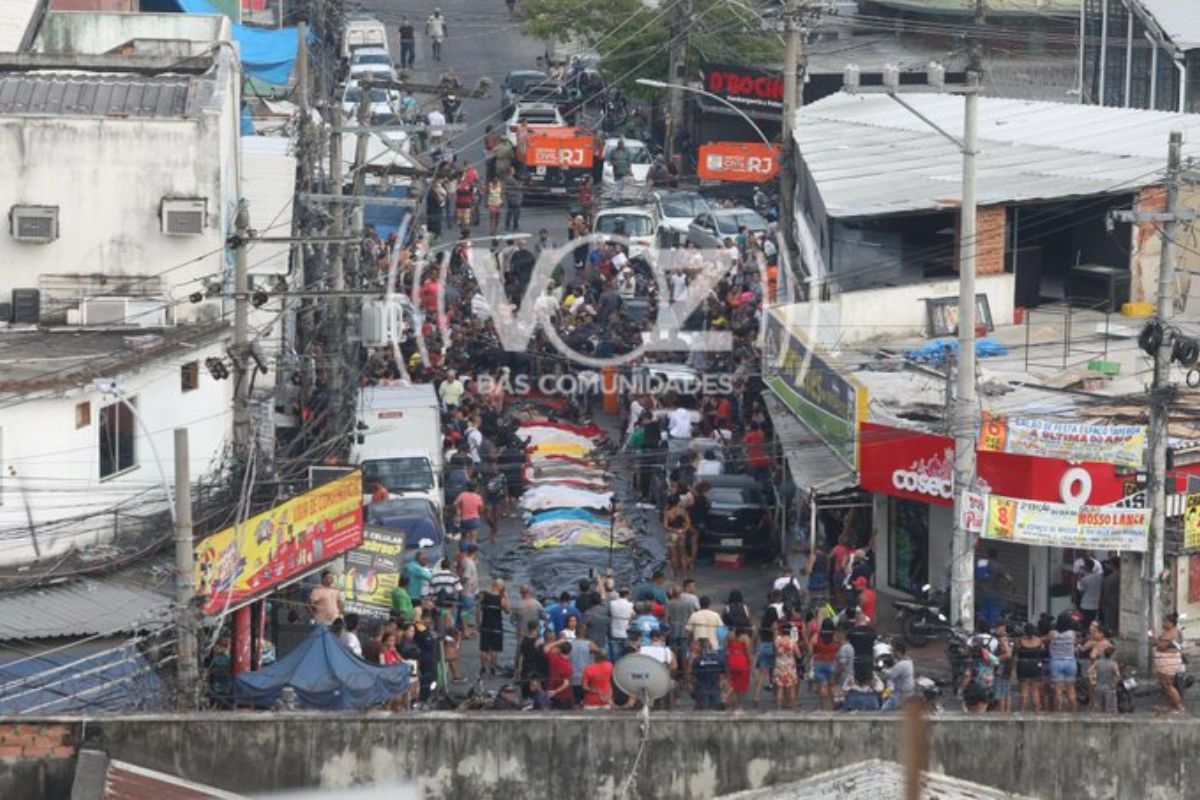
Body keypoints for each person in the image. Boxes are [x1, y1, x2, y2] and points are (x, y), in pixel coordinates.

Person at [1154, 612, 1186, 713]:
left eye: (1165, 622)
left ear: (1171, 623)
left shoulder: (1172, 632)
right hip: (1166, 661)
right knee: (1165, 685)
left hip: (1169, 661)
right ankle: (1166, 704)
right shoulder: (1171, 631)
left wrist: (1153, 638)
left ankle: (1179, 707)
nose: (1163, 623)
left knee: (1168, 684)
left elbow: (1161, 646)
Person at [1047, 614, 1078, 712]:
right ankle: (1074, 710)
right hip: (1070, 661)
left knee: (1058, 689)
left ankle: (1058, 710)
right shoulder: (1072, 633)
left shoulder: (1052, 633)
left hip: (1056, 661)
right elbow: (1075, 643)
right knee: (1071, 688)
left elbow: (1047, 640)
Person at [478, 578, 509, 677]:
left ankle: (483, 668)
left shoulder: (484, 595)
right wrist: (506, 596)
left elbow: (478, 608)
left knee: (484, 648)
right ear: (500, 587)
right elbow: (507, 611)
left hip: (485, 624)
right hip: (496, 625)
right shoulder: (501, 599)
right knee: (494, 649)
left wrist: (478, 621)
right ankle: (492, 668)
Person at [810, 618, 840, 711]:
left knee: (822, 686)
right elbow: (840, 648)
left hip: (819, 662)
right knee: (832, 685)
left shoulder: (816, 636)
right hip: (832, 662)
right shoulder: (836, 637)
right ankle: (835, 705)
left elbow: (810, 650)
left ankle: (824, 708)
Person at [1015, 622, 1045, 712]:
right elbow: (1042, 651)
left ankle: (1022, 710)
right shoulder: (1039, 640)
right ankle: (1037, 710)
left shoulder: (1019, 641)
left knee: (1024, 689)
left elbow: (1016, 651)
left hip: (1023, 665)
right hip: (1035, 664)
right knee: (1035, 690)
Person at [880, 641, 915, 710]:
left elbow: (889, 676)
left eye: (893, 651)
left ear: (898, 652)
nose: (892, 653)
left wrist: (882, 670)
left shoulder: (900, 665)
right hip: (907, 692)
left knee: (883, 710)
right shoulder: (909, 661)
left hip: (900, 695)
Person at [773, 622, 800, 710]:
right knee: (791, 688)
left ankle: (778, 708)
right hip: (790, 667)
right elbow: (798, 655)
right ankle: (793, 707)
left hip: (780, 666)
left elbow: (775, 652)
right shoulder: (793, 642)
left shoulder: (777, 640)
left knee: (780, 688)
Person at [725, 627, 753, 711]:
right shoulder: (745, 637)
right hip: (742, 660)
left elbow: (727, 647)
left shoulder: (729, 635)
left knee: (733, 681)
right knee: (742, 684)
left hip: (731, 659)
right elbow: (748, 652)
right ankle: (738, 705)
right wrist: (750, 663)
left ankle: (731, 703)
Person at [546, 639, 575, 709]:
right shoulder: (567, 666)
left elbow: (546, 648)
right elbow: (566, 684)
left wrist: (558, 641)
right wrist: (555, 691)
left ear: (559, 649)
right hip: (564, 696)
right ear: (570, 651)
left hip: (553, 694)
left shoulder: (554, 658)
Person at [607, 587, 635, 662]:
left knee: (615, 654)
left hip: (614, 632)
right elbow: (633, 615)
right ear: (627, 595)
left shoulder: (612, 603)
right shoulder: (630, 604)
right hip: (625, 632)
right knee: (625, 654)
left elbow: (609, 614)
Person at [1077, 557, 1103, 630]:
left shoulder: (1084, 579)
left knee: (1085, 623)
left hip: (1085, 604)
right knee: (1092, 623)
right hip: (1095, 604)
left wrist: (1079, 578)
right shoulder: (1099, 578)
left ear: (1086, 567)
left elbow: (1080, 591)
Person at [1094, 645, 1120, 714]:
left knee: (1099, 706)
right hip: (1109, 687)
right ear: (1112, 655)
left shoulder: (1098, 662)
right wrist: (1114, 683)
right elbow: (1117, 675)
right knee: (1111, 707)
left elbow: (1089, 671)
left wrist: (1093, 681)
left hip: (1099, 686)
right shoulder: (1113, 664)